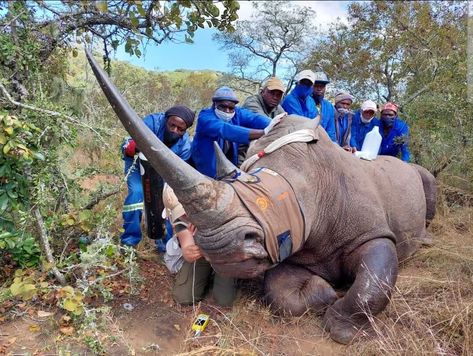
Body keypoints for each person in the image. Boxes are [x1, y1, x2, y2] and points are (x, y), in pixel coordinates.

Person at [120, 105, 195, 249]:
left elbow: (179, 171)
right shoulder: (152, 122)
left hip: (164, 170)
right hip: (138, 163)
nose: (175, 130)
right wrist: (138, 146)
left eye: (180, 129)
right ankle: (129, 241)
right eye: (172, 125)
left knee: (165, 200)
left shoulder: (184, 145)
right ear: (166, 120)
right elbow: (128, 145)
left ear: (185, 130)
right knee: (137, 193)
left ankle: (163, 243)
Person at [162, 184, 236, 307]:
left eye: (187, 213)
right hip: (204, 250)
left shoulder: (221, 201)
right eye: (181, 214)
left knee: (224, 300)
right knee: (183, 297)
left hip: (226, 250)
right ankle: (208, 272)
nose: (185, 217)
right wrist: (189, 252)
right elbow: (187, 244)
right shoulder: (176, 211)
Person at [191, 86, 272, 178]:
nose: (227, 111)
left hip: (228, 170)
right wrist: (263, 133)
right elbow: (224, 129)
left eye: (231, 108)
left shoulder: (237, 113)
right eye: (223, 107)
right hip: (203, 170)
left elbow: (254, 118)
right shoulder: (205, 117)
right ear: (214, 105)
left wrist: (274, 123)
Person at [311, 71, 336, 142]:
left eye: (322, 86)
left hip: (324, 143)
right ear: (312, 86)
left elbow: (331, 130)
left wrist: (331, 145)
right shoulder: (305, 102)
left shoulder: (329, 106)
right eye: (316, 86)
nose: (319, 89)